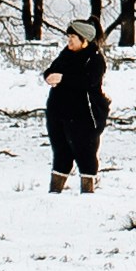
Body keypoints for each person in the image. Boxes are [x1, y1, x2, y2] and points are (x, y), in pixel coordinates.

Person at [41, 28, 108, 191]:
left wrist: (63, 79)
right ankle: (54, 192)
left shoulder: (95, 58)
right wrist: (48, 76)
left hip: (84, 114)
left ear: (84, 40)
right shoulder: (65, 54)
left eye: (73, 37)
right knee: (60, 151)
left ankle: (87, 192)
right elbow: (51, 69)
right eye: (68, 37)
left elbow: (89, 81)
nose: (69, 41)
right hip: (58, 112)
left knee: (85, 152)